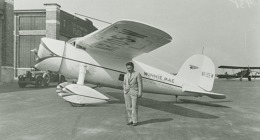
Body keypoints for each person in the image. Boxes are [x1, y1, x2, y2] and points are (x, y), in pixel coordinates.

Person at [123, 62, 143, 126]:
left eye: (130, 68)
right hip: (127, 93)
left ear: (133, 67)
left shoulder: (137, 74)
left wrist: (140, 93)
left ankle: (135, 121)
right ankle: (130, 120)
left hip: (134, 92)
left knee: (134, 108)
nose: (129, 69)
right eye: (127, 68)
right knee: (128, 107)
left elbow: (140, 84)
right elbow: (124, 83)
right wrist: (124, 90)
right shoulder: (126, 75)